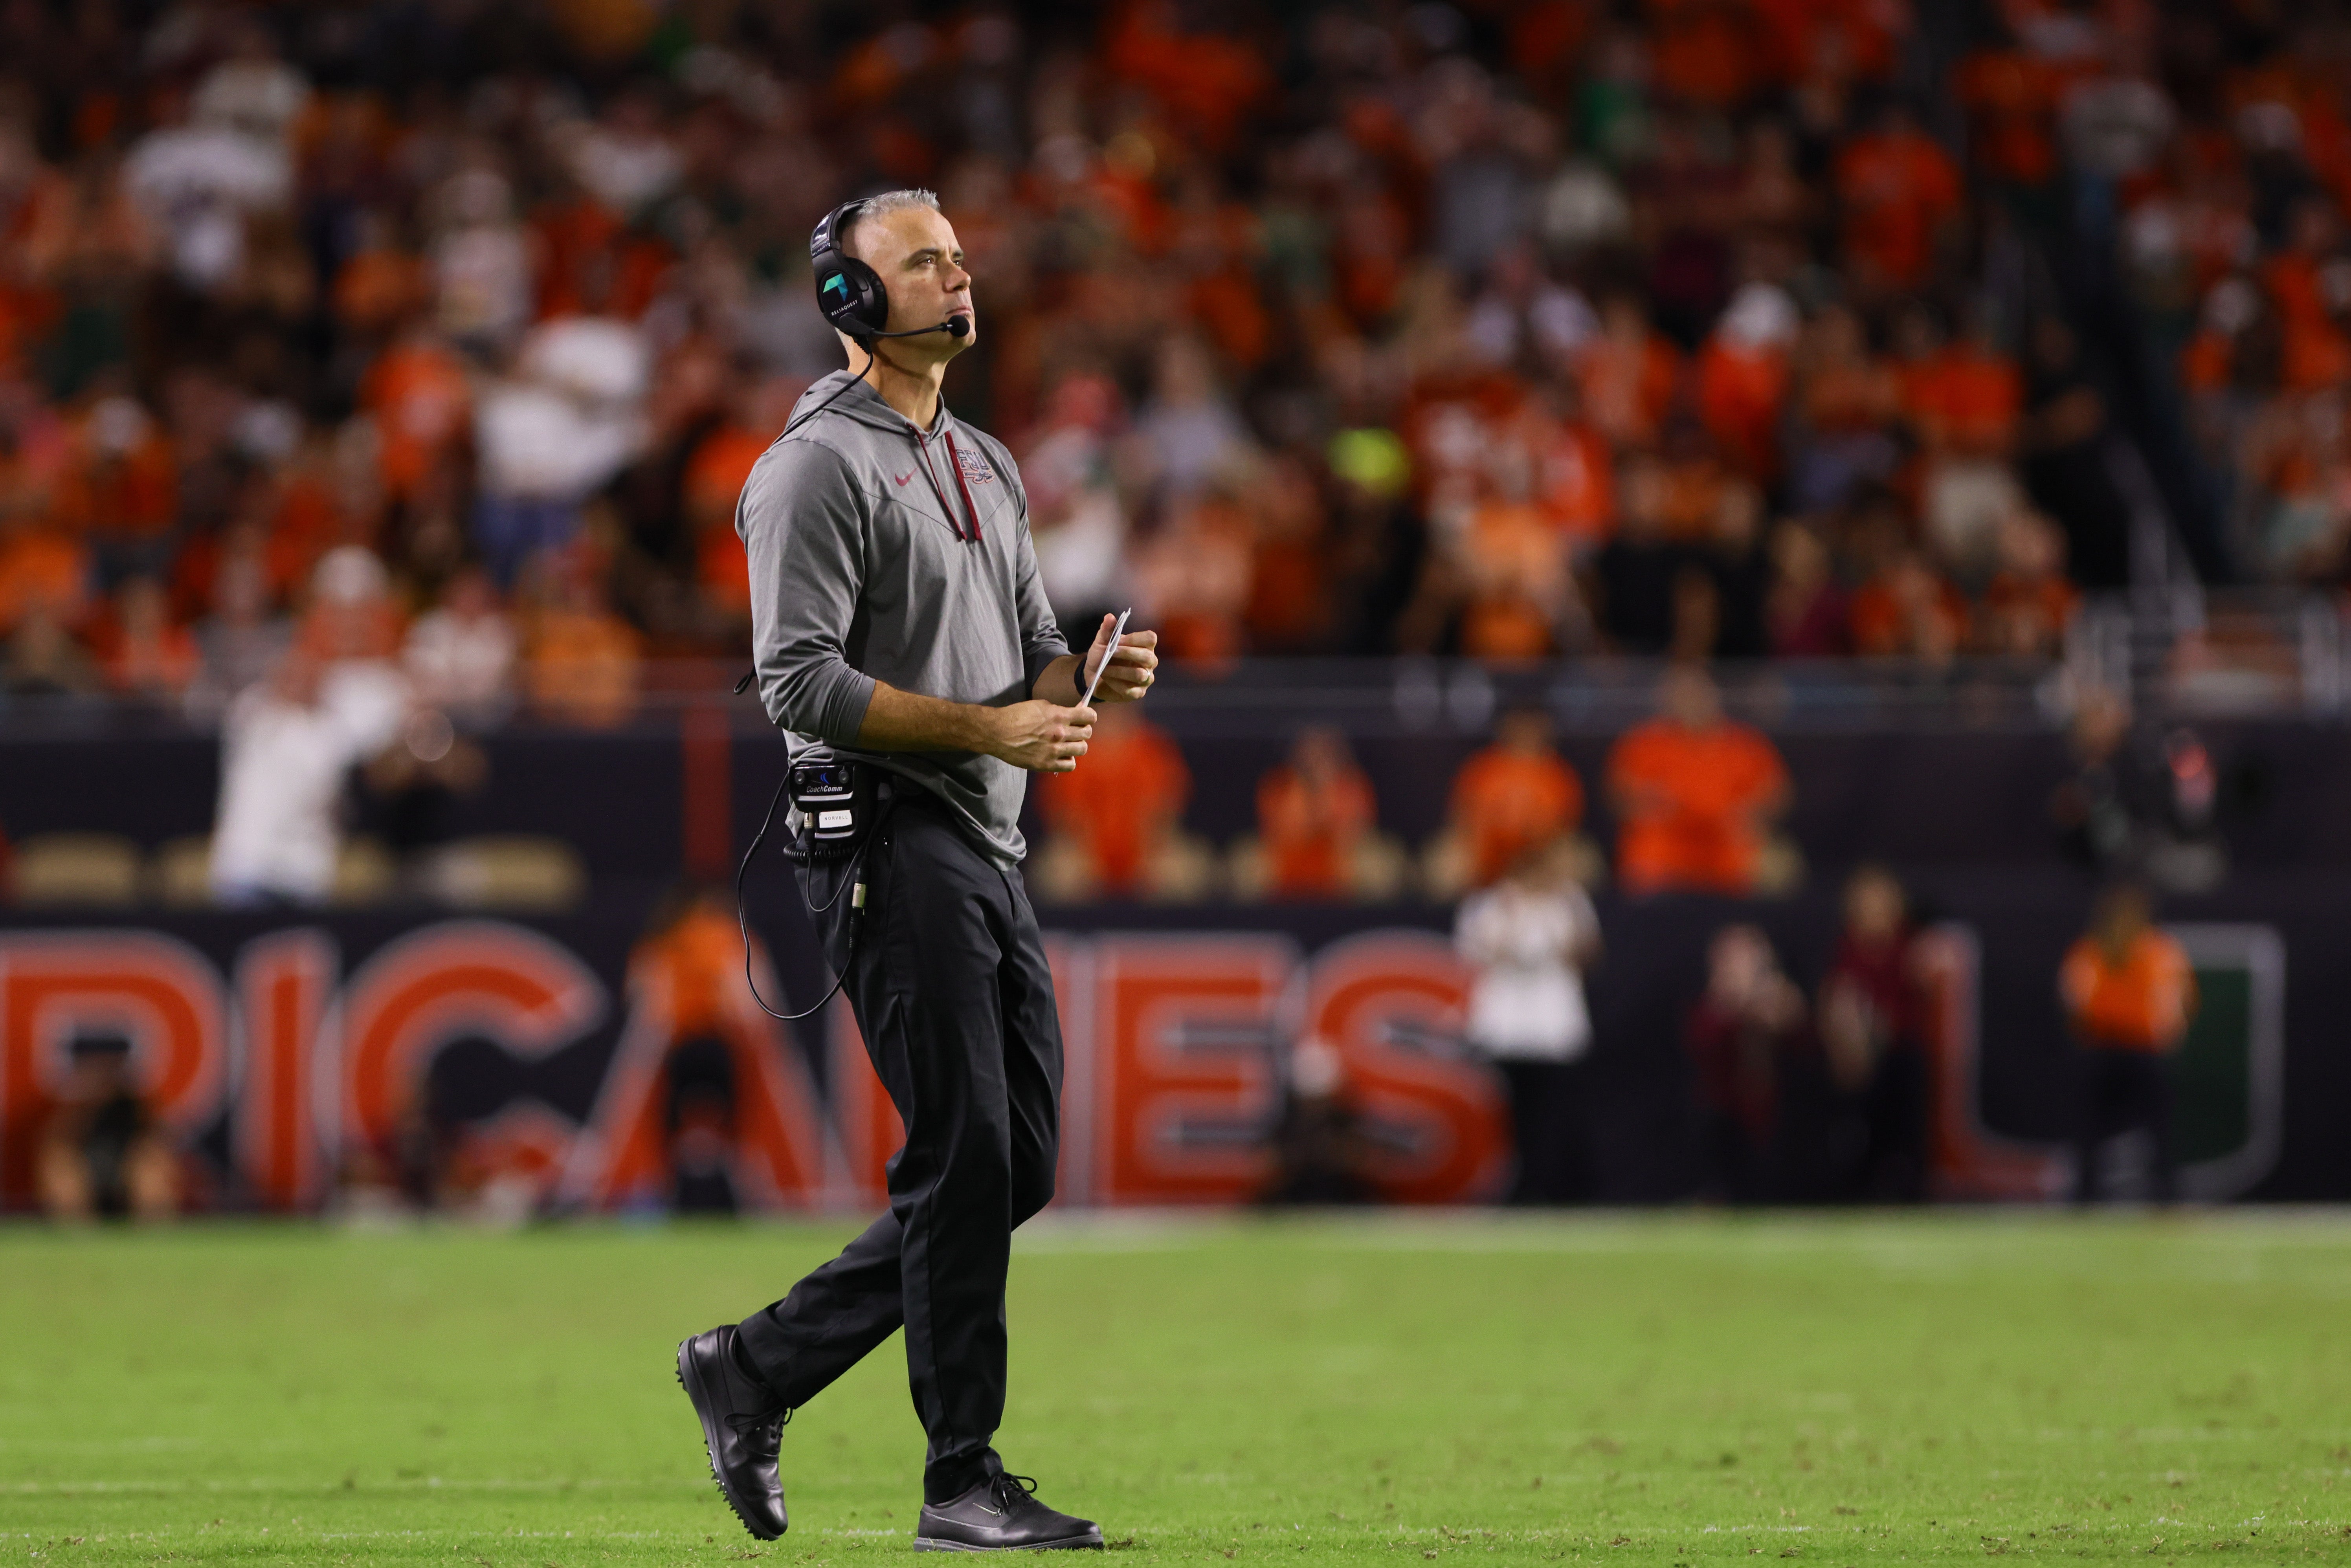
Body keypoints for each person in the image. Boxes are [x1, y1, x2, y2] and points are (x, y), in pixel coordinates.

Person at [679, 189, 1157, 1552]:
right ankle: (961, 1477)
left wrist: (1087, 680)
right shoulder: (812, 468)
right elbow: (795, 679)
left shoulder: (987, 460)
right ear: (850, 301)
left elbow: (1027, 664)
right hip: (890, 833)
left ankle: (755, 1368)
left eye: (956, 255)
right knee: (966, 1154)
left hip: (985, 832)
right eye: (925, 260)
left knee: (1015, 1167)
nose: (961, 274)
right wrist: (994, 727)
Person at [1454, 835, 1603, 1204]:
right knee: (1511, 1117)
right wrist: (1511, 914)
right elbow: (1478, 950)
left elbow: (1585, 953)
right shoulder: (1492, 902)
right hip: (1507, 1029)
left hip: (1553, 1029)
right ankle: (1516, 1187)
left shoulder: (1569, 902)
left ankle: (1551, 1188)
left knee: (1553, 1116)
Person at [2060, 883, 2197, 1204]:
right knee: (2088, 1130)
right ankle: (2085, 1196)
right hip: (2103, 1049)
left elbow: (2177, 1001)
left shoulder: (2159, 952)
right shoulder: (2091, 951)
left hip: (2143, 1050)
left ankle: (2165, 1196)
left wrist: (2164, 1036)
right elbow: (2075, 1001)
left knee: (2158, 1129)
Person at [1606, 665, 1795, 897]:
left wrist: (1752, 815)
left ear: (1714, 695)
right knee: (1639, 867)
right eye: (1682, 692)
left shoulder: (1748, 744)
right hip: (1666, 841)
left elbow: (1777, 795)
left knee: (1778, 867)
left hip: (1730, 842)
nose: (1691, 700)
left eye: (1698, 691)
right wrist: (1647, 805)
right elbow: (1618, 796)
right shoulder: (1643, 742)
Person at [1817, 865, 1930, 1202]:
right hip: (1861, 1067)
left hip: (1903, 1059)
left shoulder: (1911, 948)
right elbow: (1835, 1006)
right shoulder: (1845, 953)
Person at [1683, 923, 1808, 1203]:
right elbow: (1703, 1047)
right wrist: (1736, 1007)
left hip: (1779, 1122)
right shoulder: (1708, 1008)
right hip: (1725, 1124)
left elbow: (1802, 1044)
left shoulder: (1782, 1000)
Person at [1423, 707, 1593, 899]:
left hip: (1540, 853)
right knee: (1445, 865)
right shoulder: (1482, 768)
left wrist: (1532, 847)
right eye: (1520, 725)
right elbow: (1460, 821)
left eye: (1532, 725)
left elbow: (1567, 830)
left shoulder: (1560, 773)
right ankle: (1452, 922)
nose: (1526, 732)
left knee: (1579, 862)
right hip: (1487, 848)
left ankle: (1559, 920)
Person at [37, 1035, 178, 1222]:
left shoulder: (133, 1104)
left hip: (126, 1173)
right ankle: (77, 1238)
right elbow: (56, 1146)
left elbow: (158, 1141)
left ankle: (153, 1236)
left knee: (151, 1170)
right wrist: (86, 1107)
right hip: (87, 1174)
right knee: (60, 1168)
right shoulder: (69, 1104)